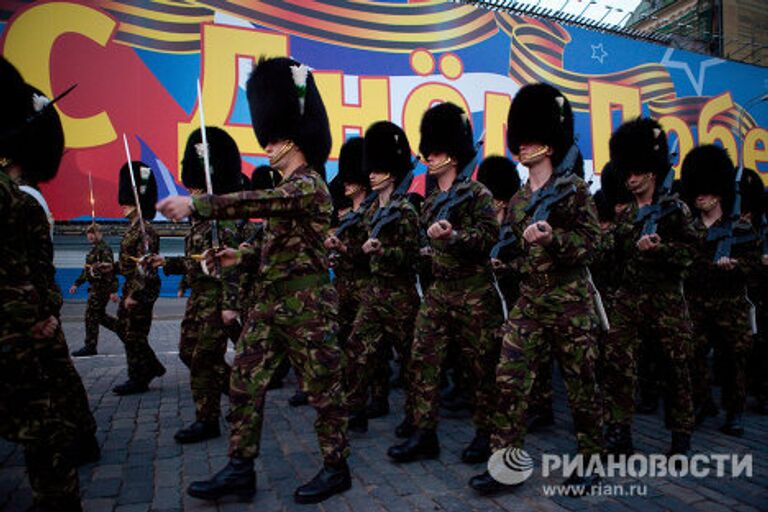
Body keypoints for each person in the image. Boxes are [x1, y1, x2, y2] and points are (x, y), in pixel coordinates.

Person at [157, 57, 350, 504]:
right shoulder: (287, 192)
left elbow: (262, 201)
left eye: (276, 137)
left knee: (323, 390)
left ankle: (336, 466)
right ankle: (240, 468)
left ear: (295, 139)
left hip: (308, 308)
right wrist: (236, 255)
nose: (268, 144)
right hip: (268, 305)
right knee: (244, 383)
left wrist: (200, 206)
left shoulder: (309, 186)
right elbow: (267, 242)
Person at [470, 83, 603, 494]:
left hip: (569, 302)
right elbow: (516, 250)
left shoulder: (574, 190)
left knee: (581, 384)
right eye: (520, 139)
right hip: (529, 300)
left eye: (532, 139)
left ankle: (591, 461)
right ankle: (505, 466)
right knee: (508, 379)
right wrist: (504, 261)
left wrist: (553, 240)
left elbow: (592, 246)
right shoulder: (519, 198)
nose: (523, 147)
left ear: (549, 143)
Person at [388, 102, 502, 465]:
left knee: (481, 367)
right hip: (438, 292)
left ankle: (487, 434)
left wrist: (455, 237)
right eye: (429, 151)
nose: (429, 158)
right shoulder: (433, 200)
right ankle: (424, 432)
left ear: (453, 156)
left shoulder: (478, 194)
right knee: (422, 360)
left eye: (436, 152)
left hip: (473, 291)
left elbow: (487, 237)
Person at [0, 55, 83, 511]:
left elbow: (33, 264)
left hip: (20, 323)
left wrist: (44, 312)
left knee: (39, 414)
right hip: (29, 318)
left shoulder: (22, 200)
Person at [602, 117, 696, 457]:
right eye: (626, 172)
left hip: (666, 298)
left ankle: (681, 437)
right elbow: (612, 254)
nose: (631, 178)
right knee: (619, 364)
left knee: (675, 368)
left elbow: (691, 254)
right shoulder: (626, 216)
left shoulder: (675, 210)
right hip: (629, 298)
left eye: (637, 172)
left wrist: (661, 250)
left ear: (653, 172)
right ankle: (619, 433)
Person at [151, 126, 242, 443]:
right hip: (198, 297)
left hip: (216, 298)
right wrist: (170, 264)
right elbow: (199, 258)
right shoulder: (200, 219)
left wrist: (231, 304)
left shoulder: (222, 217)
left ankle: (207, 419)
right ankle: (239, 393)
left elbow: (231, 264)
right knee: (188, 353)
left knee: (204, 357)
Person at [339, 122, 419, 433]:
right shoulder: (371, 212)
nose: (370, 173)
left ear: (392, 171)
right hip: (374, 293)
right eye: (369, 168)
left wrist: (383, 250)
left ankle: (416, 418)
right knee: (357, 349)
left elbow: (411, 256)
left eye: (377, 168)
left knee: (411, 360)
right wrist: (346, 247)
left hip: (399, 295)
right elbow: (362, 253)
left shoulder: (405, 211)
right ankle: (355, 410)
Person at [681, 144, 758, 436]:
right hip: (697, 301)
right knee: (693, 355)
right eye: (697, 191)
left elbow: (755, 265)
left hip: (730, 303)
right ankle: (703, 403)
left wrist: (736, 266)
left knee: (732, 360)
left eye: (707, 190)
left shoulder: (739, 228)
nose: (700, 196)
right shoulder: (688, 227)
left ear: (720, 190)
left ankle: (734, 411)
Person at [101, 160, 166, 395]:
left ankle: (138, 377)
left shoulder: (145, 230)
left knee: (134, 334)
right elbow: (130, 262)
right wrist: (114, 267)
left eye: (128, 202)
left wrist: (135, 294)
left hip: (141, 289)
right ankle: (150, 367)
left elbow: (145, 266)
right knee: (126, 331)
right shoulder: (132, 228)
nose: (123, 206)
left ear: (137, 203)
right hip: (130, 285)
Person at [70, 222, 119, 356]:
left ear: (100, 234)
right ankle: (123, 329)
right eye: (89, 233)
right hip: (95, 288)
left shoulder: (104, 249)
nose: (91, 235)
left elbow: (110, 271)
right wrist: (76, 284)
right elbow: (87, 270)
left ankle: (90, 346)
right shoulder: (93, 250)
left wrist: (113, 291)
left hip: (102, 288)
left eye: (94, 232)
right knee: (100, 316)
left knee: (91, 316)